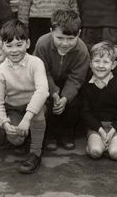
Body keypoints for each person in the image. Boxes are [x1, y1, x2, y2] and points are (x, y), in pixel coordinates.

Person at [0, 20, 49, 174]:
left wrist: (27, 118)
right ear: (3, 46)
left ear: (28, 43)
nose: (14, 50)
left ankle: (35, 152)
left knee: (37, 112)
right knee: (15, 139)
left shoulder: (36, 63)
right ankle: (28, 136)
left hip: (34, 107)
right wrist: (4, 123)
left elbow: (43, 91)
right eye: (9, 46)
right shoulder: (1, 70)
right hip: (14, 107)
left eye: (19, 44)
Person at [33, 9, 89, 151]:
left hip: (69, 82)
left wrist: (65, 97)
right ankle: (50, 133)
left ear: (79, 33)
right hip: (46, 81)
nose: (65, 43)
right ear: (51, 31)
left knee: (74, 103)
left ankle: (67, 132)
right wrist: (53, 92)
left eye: (71, 39)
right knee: (46, 101)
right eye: (60, 38)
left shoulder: (82, 50)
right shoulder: (42, 44)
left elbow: (77, 78)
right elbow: (41, 70)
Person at [80, 42, 117, 161]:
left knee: (115, 153)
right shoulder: (87, 85)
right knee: (96, 152)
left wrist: (113, 130)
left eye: (106, 62)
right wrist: (101, 131)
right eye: (97, 61)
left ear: (113, 65)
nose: (100, 65)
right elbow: (85, 112)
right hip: (96, 127)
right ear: (90, 64)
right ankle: (99, 145)